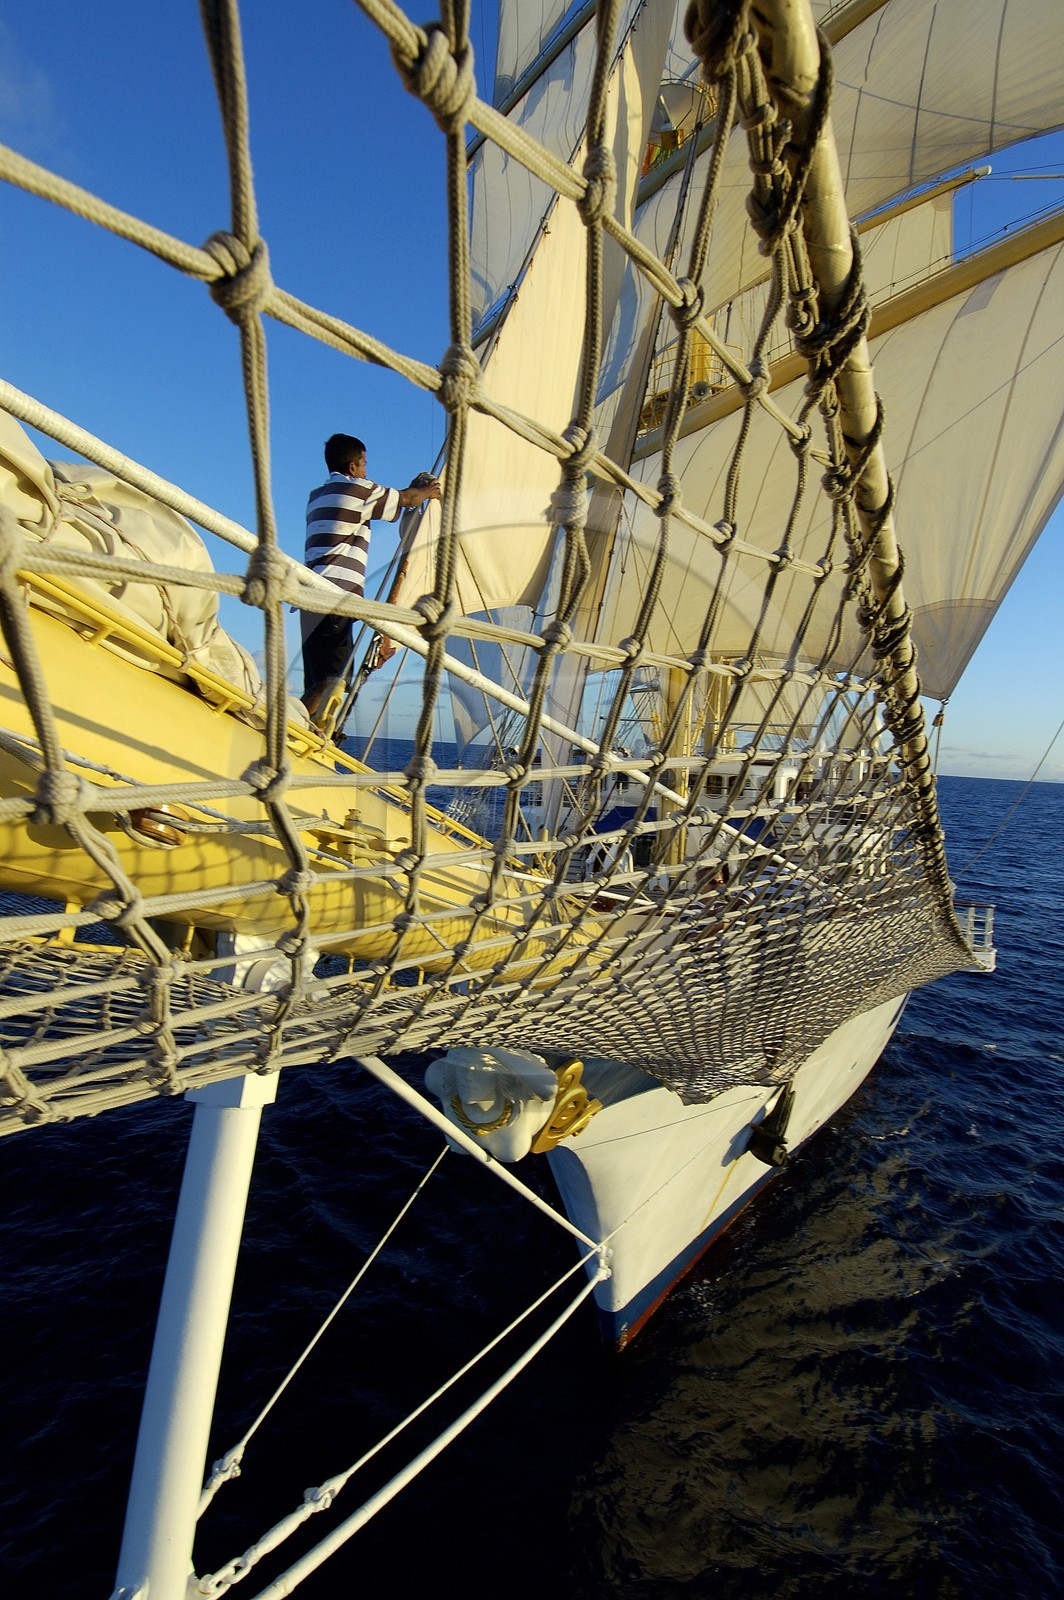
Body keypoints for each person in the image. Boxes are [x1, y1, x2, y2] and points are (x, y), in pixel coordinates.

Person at [300, 433, 440, 726]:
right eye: (364, 465)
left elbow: (399, 498)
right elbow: (408, 499)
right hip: (335, 596)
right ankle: (293, 726)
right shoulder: (357, 490)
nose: (366, 471)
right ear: (352, 467)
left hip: (309, 597)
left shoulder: (317, 496)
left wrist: (413, 491)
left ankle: (304, 728)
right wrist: (428, 491)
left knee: (317, 677)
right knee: (334, 679)